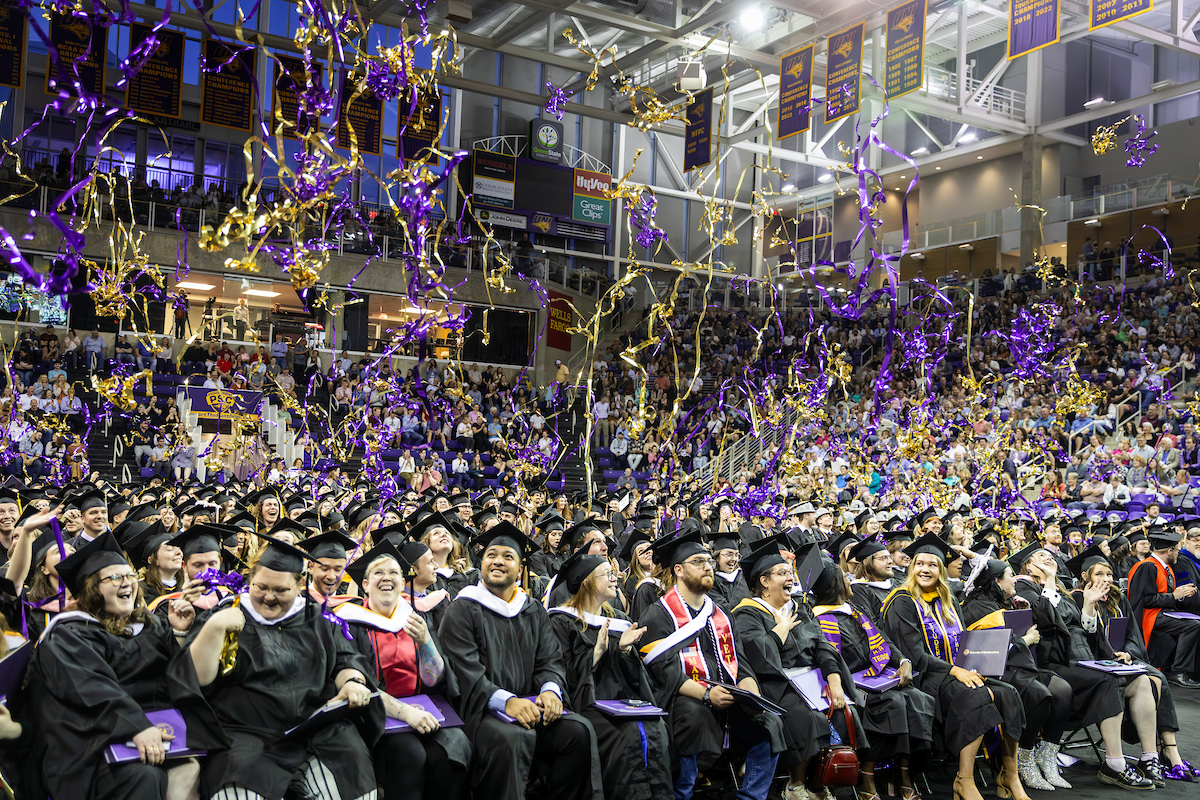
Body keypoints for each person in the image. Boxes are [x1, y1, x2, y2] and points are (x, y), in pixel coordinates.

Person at [182, 531, 382, 800]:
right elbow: (196, 678)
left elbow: (345, 659)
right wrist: (215, 628)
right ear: (250, 579)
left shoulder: (317, 619)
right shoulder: (226, 617)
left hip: (318, 733)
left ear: (300, 585)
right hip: (246, 736)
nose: (269, 597)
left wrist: (351, 682)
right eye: (261, 587)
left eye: (281, 590)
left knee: (351, 782)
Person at [23, 531, 212, 800]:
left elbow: (175, 679)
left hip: (154, 732)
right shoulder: (69, 634)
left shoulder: (149, 624)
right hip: (93, 744)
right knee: (145, 777)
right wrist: (137, 727)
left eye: (130, 576)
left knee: (197, 765)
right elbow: (92, 689)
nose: (127, 583)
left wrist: (179, 634)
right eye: (114, 577)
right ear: (91, 588)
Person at [438, 522, 602, 800]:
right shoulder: (462, 608)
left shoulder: (532, 608)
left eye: (507, 556)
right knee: (513, 738)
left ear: (520, 568)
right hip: (481, 712)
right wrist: (507, 702)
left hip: (530, 704)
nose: (498, 561)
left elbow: (550, 658)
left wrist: (551, 690)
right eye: (491, 555)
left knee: (578, 731)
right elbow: (466, 672)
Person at [879, 534, 1029, 800]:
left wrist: (975, 666)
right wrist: (957, 671)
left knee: (1009, 693)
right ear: (912, 568)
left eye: (933, 565)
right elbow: (914, 655)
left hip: (957, 672)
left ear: (941, 569)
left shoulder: (947, 599)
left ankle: (1010, 775)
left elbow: (964, 645)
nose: (925, 569)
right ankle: (965, 780)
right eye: (920, 564)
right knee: (975, 695)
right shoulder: (902, 601)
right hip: (926, 676)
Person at [638, 530, 784, 800]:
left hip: (727, 697)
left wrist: (749, 689)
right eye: (698, 562)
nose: (708, 566)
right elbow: (663, 669)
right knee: (695, 716)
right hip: (682, 700)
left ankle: (751, 796)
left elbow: (739, 658)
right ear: (679, 570)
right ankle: (680, 793)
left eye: (708, 560)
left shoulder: (719, 613)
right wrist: (705, 694)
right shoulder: (659, 613)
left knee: (769, 723)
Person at [339, 541, 472, 800]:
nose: (386, 578)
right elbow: (359, 680)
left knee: (455, 750)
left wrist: (426, 642)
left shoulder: (413, 620)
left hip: (422, 708)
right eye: (378, 572)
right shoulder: (350, 624)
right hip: (375, 718)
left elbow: (435, 680)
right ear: (365, 584)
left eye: (393, 573)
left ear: (403, 582)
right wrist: (406, 713)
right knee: (410, 754)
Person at [547, 548, 672, 800]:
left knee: (655, 726)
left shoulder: (621, 620)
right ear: (587, 583)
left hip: (622, 702)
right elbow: (557, 673)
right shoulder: (561, 622)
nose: (615, 578)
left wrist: (625, 651)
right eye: (607, 574)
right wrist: (595, 654)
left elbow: (635, 680)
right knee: (627, 734)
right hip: (585, 705)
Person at [811, 554, 935, 800]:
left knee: (919, 699)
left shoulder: (854, 611)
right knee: (894, 704)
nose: (849, 580)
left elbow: (883, 639)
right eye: (843, 578)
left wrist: (902, 661)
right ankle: (866, 776)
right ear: (836, 586)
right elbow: (831, 661)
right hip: (853, 685)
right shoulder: (821, 620)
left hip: (879, 679)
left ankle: (901, 773)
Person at [961, 555, 1074, 791]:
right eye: (1010, 576)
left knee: (1063, 690)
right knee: (1040, 695)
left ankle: (1047, 757)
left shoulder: (1006, 601)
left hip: (1018, 666)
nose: (1014, 580)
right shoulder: (978, 607)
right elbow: (987, 650)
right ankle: (1022, 759)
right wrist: (1025, 639)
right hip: (994, 672)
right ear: (997, 581)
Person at [1127, 526, 1200, 687]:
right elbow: (1144, 599)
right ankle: (1178, 672)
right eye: (1176, 551)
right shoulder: (1148, 566)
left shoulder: (1163, 567)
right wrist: (1174, 596)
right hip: (1148, 615)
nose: (1177, 555)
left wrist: (1182, 594)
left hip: (1162, 612)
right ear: (1169, 551)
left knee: (1193, 621)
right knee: (1192, 626)